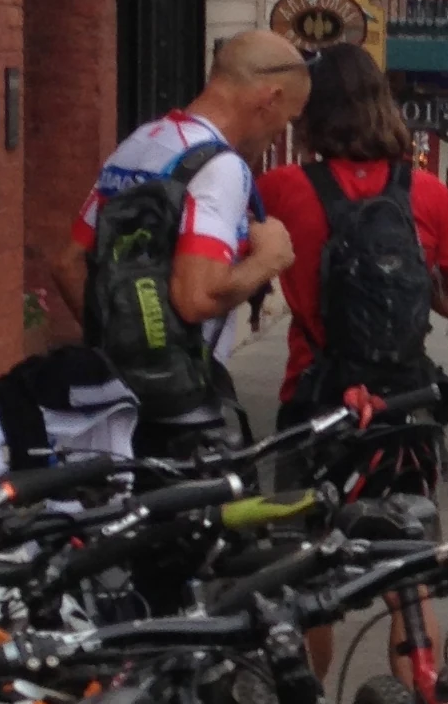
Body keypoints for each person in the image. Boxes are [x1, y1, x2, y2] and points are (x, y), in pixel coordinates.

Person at [52, 30, 313, 447]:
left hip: (116, 404)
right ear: (270, 98)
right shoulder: (219, 168)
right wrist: (269, 258)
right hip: (182, 411)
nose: (282, 130)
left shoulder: (143, 141)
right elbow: (196, 298)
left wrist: (124, 349)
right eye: (289, 116)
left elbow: (68, 262)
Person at [256, 40, 448, 441]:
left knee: (305, 502)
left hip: (316, 398)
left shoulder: (280, 190)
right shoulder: (429, 193)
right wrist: (408, 275)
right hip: (403, 404)